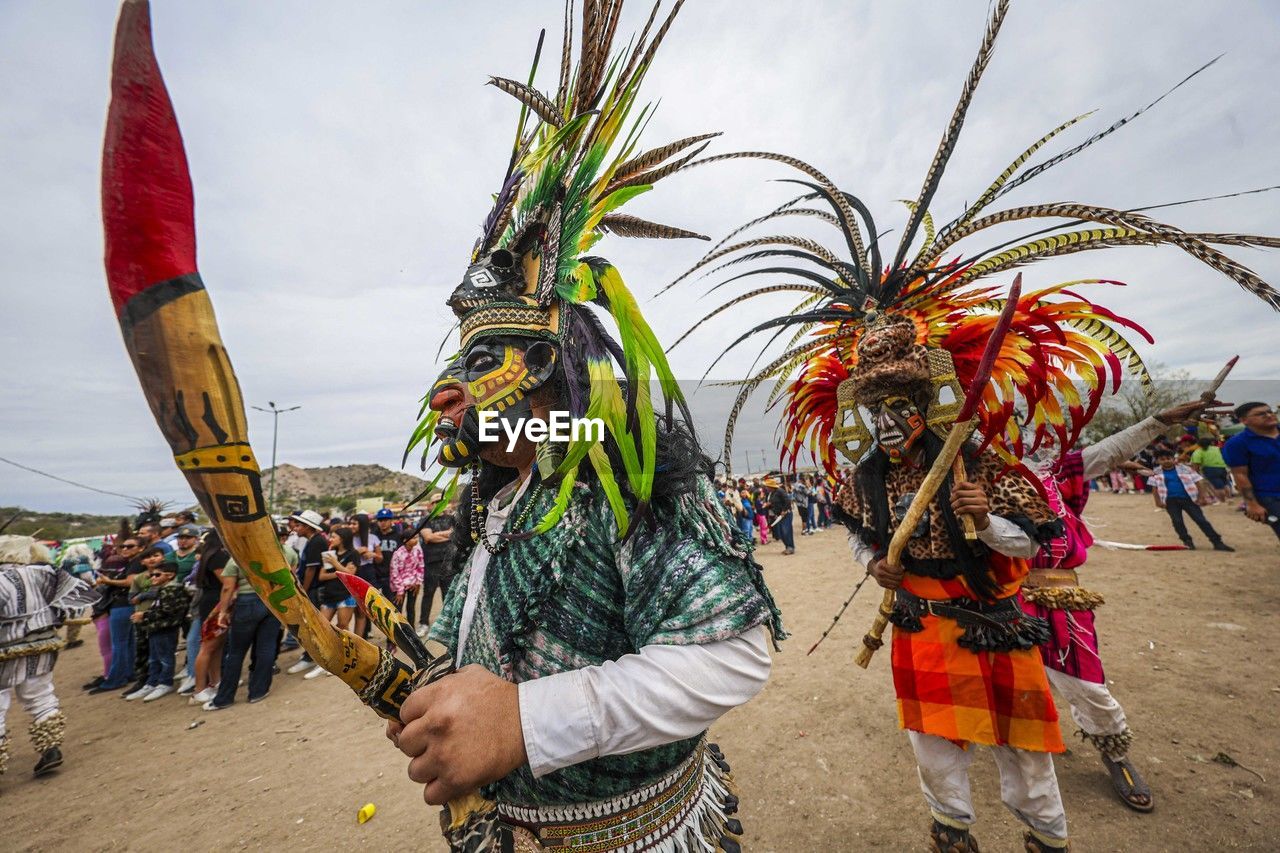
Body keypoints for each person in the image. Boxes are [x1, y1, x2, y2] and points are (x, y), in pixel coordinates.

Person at [388, 11, 785, 845]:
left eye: (481, 363)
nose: (444, 397)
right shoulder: (499, 502)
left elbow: (735, 651)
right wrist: (412, 671)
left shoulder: (629, 483)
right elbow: (478, 636)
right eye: (454, 367)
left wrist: (530, 719)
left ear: (548, 368)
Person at [1021, 398, 1225, 813]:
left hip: (1059, 598)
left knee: (1087, 687)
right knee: (1007, 684)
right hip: (998, 600)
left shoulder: (1059, 471)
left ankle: (1115, 755)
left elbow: (1110, 450)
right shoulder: (970, 475)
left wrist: (1158, 421)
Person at [0, 535, 96, 779]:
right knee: (41, 697)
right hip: (43, 644)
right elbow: (80, 598)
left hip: (5, 648)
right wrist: (56, 617)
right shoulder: (45, 573)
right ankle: (50, 749)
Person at [202, 558, 282, 710]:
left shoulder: (237, 557)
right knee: (266, 648)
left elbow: (227, 587)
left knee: (236, 653)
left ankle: (224, 697)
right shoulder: (276, 552)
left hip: (247, 602)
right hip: (272, 599)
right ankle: (259, 691)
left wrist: (223, 611)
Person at [126, 548, 191, 701]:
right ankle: (152, 682)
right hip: (155, 628)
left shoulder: (171, 589)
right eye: (151, 575)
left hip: (165, 629)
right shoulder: (163, 589)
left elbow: (167, 611)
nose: (152, 578)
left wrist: (144, 615)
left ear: (170, 576)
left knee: (165, 658)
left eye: (156, 575)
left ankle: (165, 683)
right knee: (153, 658)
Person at [303, 527, 360, 679]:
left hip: (345, 596)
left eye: (333, 536)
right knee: (320, 626)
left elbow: (350, 575)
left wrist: (335, 564)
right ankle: (324, 662)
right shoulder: (329, 553)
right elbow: (322, 576)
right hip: (329, 596)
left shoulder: (353, 554)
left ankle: (344, 661)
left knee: (343, 627)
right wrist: (339, 572)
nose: (330, 538)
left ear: (342, 538)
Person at [1149, 448, 1233, 551]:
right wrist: (1157, 501)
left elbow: (1198, 481)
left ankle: (1217, 542)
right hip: (1170, 501)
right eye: (1162, 459)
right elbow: (1154, 487)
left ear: (1173, 458)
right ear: (1157, 461)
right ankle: (1187, 542)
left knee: (1201, 520)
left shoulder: (1185, 468)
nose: (1166, 461)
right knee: (1177, 522)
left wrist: (1201, 497)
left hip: (1189, 499)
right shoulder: (1155, 472)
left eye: (1168, 458)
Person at [88, 536, 142, 693]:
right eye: (123, 546)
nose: (125, 549)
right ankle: (129, 673)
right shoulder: (132, 563)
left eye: (130, 546)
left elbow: (130, 582)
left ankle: (115, 679)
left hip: (123, 604)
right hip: (124, 604)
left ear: (140, 548)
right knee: (128, 642)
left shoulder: (136, 563)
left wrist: (107, 581)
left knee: (119, 643)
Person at [1223, 402, 1280, 542]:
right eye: (1261, 414)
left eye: (1269, 411)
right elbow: (1240, 474)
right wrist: (1252, 504)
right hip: (1270, 497)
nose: (1269, 415)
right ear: (1244, 420)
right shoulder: (1237, 443)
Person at [186, 531, 230, 703]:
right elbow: (226, 583)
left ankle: (216, 681)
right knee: (208, 647)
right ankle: (199, 689)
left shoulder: (209, 555)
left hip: (211, 600)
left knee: (217, 646)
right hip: (215, 603)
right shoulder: (218, 556)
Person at [284, 510, 327, 673]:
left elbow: (311, 570)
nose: (296, 527)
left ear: (309, 527)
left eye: (300, 525)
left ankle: (313, 657)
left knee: (312, 624)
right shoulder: (311, 541)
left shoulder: (316, 542)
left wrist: (304, 591)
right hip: (312, 588)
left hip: (314, 589)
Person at [389, 532, 425, 630]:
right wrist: (400, 591)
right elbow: (394, 573)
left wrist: (418, 582)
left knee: (411, 609)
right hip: (399, 587)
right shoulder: (398, 554)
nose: (416, 540)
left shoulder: (417, 551)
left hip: (413, 585)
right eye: (413, 538)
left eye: (416, 537)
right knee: (397, 611)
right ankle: (396, 635)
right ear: (405, 540)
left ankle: (411, 632)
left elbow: (420, 567)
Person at [1189, 437, 1231, 503]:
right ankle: (1229, 498)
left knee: (1218, 486)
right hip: (1222, 467)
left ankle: (1222, 500)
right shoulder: (1217, 448)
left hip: (1210, 469)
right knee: (1225, 483)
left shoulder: (1198, 452)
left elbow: (1196, 464)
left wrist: (1195, 473)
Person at [765, 476, 795, 555]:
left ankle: (790, 547)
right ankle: (787, 547)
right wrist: (769, 504)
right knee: (782, 532)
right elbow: (773, 503)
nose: (766, 488)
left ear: (771, 486)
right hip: (779, 516)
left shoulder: (780, 491)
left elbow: (788, 501)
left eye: (767, 486)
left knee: (786, 531)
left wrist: (784, 510)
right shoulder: (772, 493)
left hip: (786, 514)